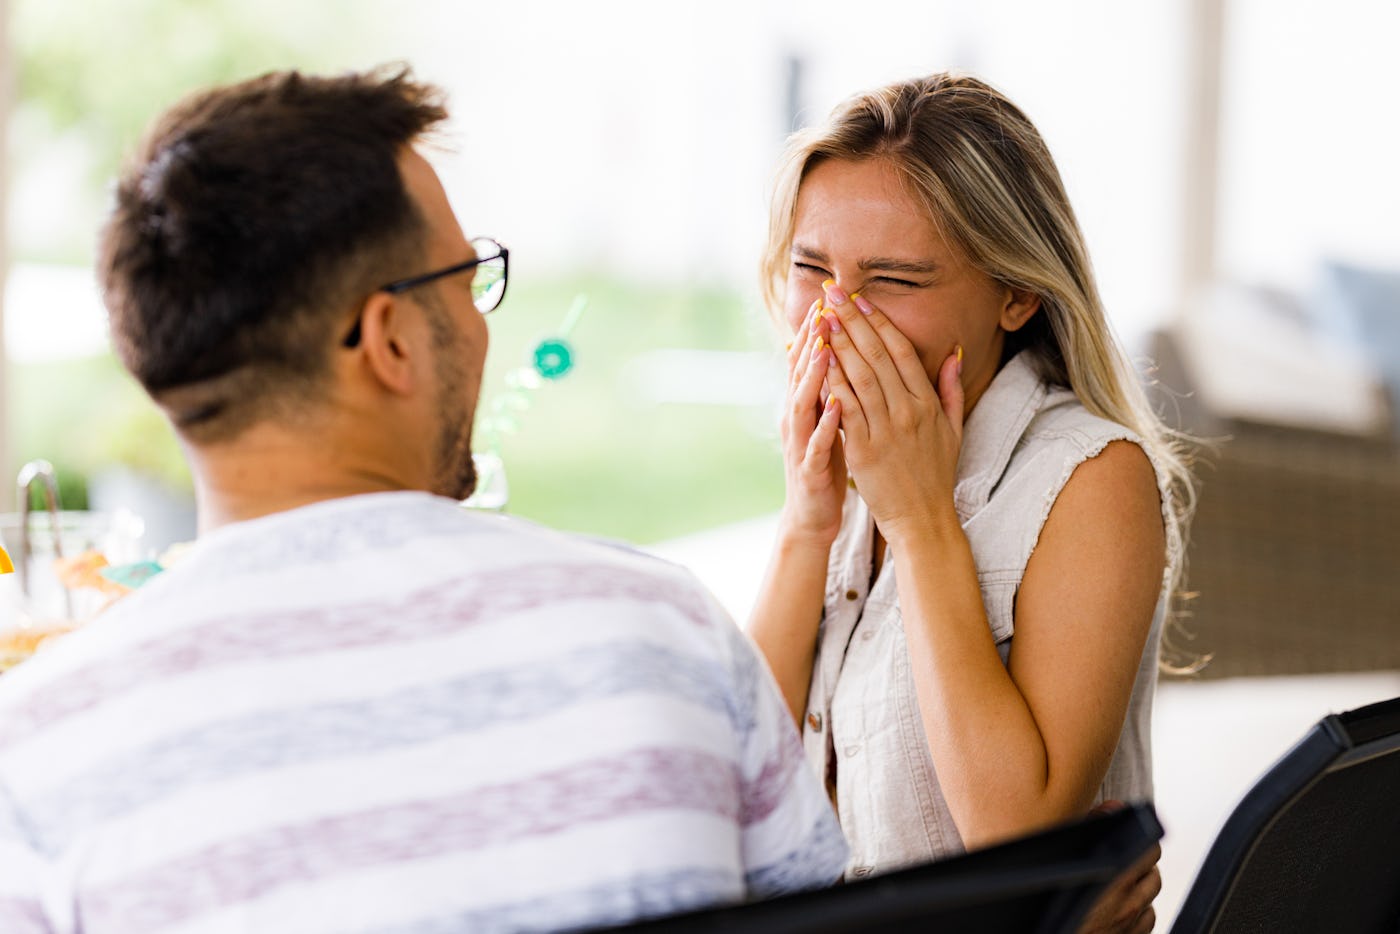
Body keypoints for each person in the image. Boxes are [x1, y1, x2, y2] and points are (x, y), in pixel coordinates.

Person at [0, 67, 847, 933]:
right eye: (468, 278)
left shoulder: (39, 751)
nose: (482, 321)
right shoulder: (664, 630)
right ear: (390, 340)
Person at [748, 72, 1195, 880]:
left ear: (1017, 292)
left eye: (893, 278)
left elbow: (1016, 843)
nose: (836, 315)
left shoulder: (1091, 480)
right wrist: (807, 524)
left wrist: (921, 524)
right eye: (813, 268)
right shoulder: (847, 451)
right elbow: (738, 787)